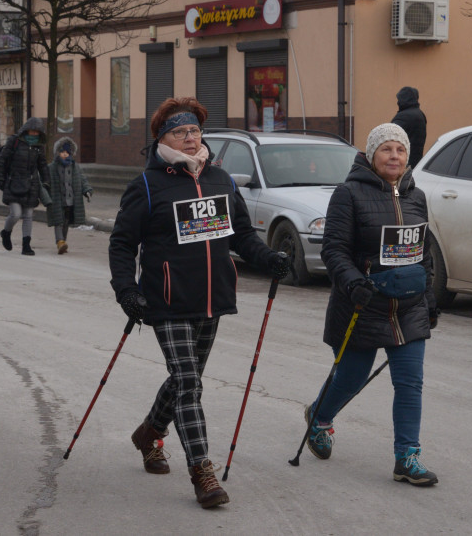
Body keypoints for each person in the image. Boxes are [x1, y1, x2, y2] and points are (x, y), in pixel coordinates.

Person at [108, 97, 291, 509]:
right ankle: (202, 472)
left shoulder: (220, 179)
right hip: (166, 299)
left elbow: (242, 235)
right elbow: (122, 244)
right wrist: (127, 290)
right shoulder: (148, 185)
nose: (190, 139)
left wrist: (269, 258)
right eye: (180, 132)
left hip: (212, 297)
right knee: (189, 384)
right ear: (162, 138)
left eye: (194, 131)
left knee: (181, 380)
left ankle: (149, 433)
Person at [301, 122, 439, 486]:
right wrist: (352, 283)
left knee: (410, 384)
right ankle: (319, 417)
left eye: (400, 150)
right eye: (386, 149)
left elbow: (423, 252)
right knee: (351, 377)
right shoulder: (348, 194)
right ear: (371, 155)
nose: (394, 156)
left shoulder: (416, 196)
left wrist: (429, 297)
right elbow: (334, 250)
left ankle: (407, 458)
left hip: (408, 307)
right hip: (362, 305)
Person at [0, 116, 50, 256]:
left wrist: (47, 181)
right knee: (16, 214)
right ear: (26, 129)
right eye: (32, 131)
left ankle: (26, 245)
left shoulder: (39, 146)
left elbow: (42, 165)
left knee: (28, 215)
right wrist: (0, 178)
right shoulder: (14, 141)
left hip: (31, 185)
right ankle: (6, 232)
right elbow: (2, 160)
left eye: (37, 132)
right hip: (13, 183)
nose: (34, 134)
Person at [46, 137, 93, 254]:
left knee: (66, 221)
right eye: (62, 152)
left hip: (70, 199)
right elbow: (45, 182)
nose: (65, 154)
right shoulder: (51, 167)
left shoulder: (75, 167)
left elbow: (82, 180)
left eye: (67, 152)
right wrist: (45, 196)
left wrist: (87, 191)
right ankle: (60, 241)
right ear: (57, 152)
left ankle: (63, 241)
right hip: (57, 199)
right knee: (58, 221)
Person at [391, 86, 427, 169]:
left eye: (399, 99)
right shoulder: (420, 114)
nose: (398, 102)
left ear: (404, 99)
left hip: (402, 162)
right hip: (415, 161)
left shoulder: (404, 116)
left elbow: (390, 135)